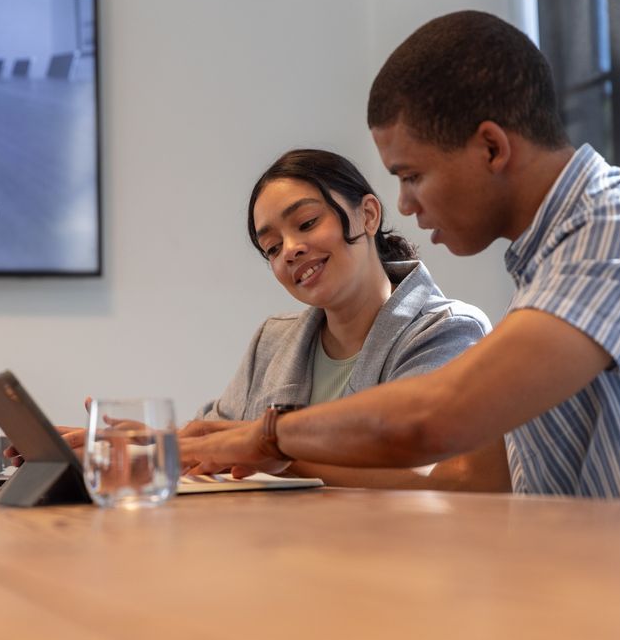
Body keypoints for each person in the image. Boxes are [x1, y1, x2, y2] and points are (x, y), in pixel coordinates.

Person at [181, 10, 620, 499]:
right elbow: (473, 475)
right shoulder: (548, 263)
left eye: (412, 176)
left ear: (491, 148)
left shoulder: (618, 228)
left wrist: (267, 438)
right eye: (271, 247)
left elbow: (437, 417)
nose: (403, 204)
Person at [180, 148, 491, 487]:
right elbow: (211, 439)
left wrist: (274, 452)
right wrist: (156, 446)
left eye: (307, 223)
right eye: (272, 247)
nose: (290, 250)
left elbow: (422, 474)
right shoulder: (271, 340)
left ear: (368, 215)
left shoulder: (449, 330)